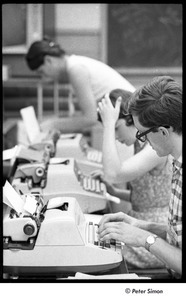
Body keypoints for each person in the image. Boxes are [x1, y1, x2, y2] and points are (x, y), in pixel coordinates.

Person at [97, 76, 182, 278]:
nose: (142, 140)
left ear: (162, 131)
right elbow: (178, 234)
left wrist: (146, 238)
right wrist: (140, 226)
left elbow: (113, 173)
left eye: (143, 134)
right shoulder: (177, 164)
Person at [25, 38, 135, 133]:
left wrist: (53, 124)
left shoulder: (76, 70)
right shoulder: (74, 64)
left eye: (42, 72)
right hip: (125, 118)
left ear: (48, 60)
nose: (44, 78)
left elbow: (90, 118)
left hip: (129, 121)